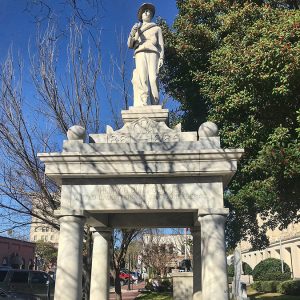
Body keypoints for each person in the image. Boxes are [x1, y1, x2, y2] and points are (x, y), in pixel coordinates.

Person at [127, 3, 164, 106]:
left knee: (153, 78)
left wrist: (161, 58)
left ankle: (155, 102)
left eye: (149, 11)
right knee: (142, 78)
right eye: (144, 11)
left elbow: (161, 45)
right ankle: (144, 101)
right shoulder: (137, 29)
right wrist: (133, 32)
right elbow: (130, 45)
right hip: (140, 53)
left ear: (151, 15)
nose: (147, 13)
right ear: (141, 15)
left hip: (153, 53)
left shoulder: (157, 28)